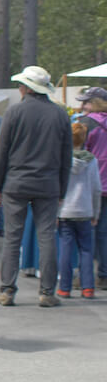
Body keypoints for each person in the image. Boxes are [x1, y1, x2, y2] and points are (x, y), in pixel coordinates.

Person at [0, 65, 73, 308]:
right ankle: (47, 292)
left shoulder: (14, 113)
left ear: (26, 88)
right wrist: (62, 190)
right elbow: (66, 157)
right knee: (47, 236)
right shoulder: (60, 115)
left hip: (16, 182)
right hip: (48, 184)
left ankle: (7, 290)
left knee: (12, 238)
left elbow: (1, 153)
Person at [57, 121, 100, 298]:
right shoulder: (91, 161)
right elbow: (96, 188)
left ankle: (64, 287)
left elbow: (57, 185)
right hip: (84, 209)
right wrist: (95, 212)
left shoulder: (62, 159)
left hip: (66, 210)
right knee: (86, 249)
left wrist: (55, 212)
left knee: (65, 248)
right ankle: (88, 286)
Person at [74, 87, 107, 291]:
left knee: (85, 232)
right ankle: (104, 274)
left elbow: (78, 153)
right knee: (104, 231)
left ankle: (83, 276)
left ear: (94, 103)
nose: (82, 106)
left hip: (90, 183)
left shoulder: (86, 124)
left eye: (86, 103)